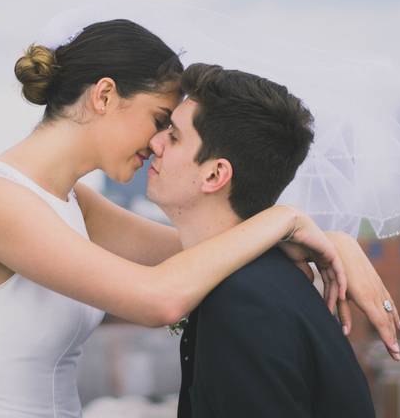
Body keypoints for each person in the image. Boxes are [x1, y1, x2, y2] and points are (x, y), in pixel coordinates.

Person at [0, 19, 398, 418]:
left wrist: (337, 245)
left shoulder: (74, 204)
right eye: (159, 119)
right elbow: (159, 299)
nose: (157, 141)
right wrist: (286, 218)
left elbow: (201, 254)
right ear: (105, 96)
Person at [146, 63, 378, 417]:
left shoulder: (243, 301)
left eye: (174, 136)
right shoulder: (256, 279)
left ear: (215, 174)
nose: (155, 142)